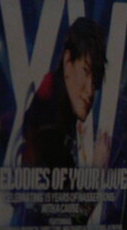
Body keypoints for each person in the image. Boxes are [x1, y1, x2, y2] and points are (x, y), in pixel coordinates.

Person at [22, 17, 109, 169]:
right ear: (68, 61)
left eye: (95, 80)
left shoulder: (57, 107)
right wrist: (98, 169)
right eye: (85, 71)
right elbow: (62, 184)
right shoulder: (50, 124)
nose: (90, 90)